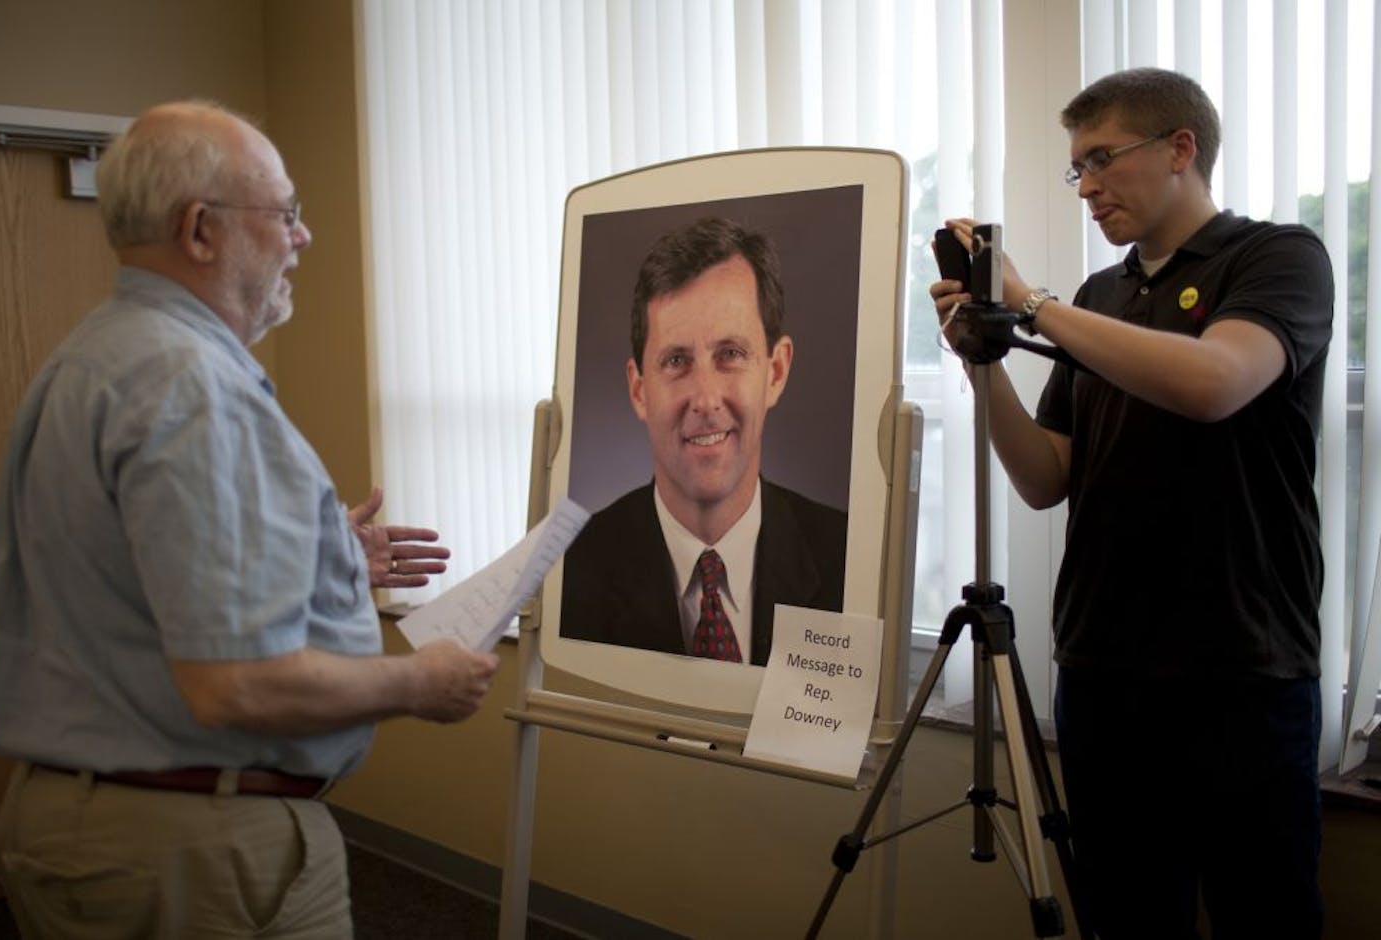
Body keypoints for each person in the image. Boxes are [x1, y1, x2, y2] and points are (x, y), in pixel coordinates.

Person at [0, 100, 501, 938]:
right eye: (286, 214)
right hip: (192, 852)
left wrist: (323, 557)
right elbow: (233, 683)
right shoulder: (189, 386)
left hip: (94, 826)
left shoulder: (93, 360)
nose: (302, 238)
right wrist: (420, 682)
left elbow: (128, 581)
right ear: (200, 232)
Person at [931, 68, 1332, 939]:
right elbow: (1043, 479)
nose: (1086, 186)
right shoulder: (1100, 298)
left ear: (1180, 148)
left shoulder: (1276, 258)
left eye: (1102, 159)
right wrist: (985, 363)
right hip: (1104, 669)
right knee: (1125, 916)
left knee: (1264, 917)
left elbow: (1216, 382)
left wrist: (1030, 305)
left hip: (1242, 671)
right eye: (1075, 168)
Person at [561, 217, 847, 666]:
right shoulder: (570, 571)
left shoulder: (848, 558)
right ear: (639, 391)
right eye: (677, 360)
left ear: (775, 372)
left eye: (730, 355)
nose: (706, 399)